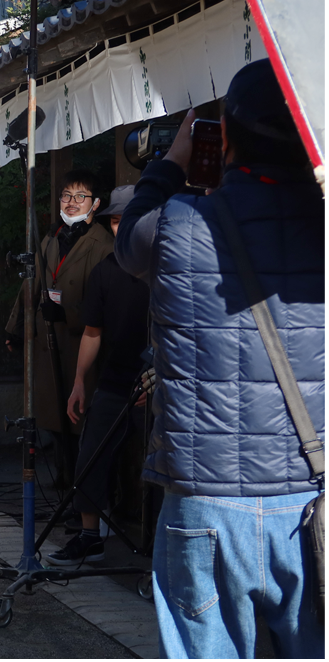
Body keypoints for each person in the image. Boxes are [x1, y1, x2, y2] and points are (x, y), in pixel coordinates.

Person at [116, 60, 324, 658]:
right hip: (311, 499)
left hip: (204, 499)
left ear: (225, 138)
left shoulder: (178, 225)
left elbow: (130, 238)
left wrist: (171, 163)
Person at [45, 186, 149, 566]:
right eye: (117, 220)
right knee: (90, 454)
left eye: (130, 219)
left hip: (163, 380)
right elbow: (93, 331)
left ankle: (162, 540)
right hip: (116, 377)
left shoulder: (168, 265)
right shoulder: (106, 269)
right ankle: (90, 536)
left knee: (166, 460)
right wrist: (78, 382)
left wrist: (157, 373)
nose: (123, 227)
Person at [5, 170, 113, 490]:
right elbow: (31, 285)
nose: (72, 202)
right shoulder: (52, 238)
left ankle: (84, 491)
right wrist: (16, 328)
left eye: (80, 197)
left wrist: (67, 313)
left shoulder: (102, 243)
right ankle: (65, 480)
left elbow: (104, 303)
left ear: (95, 204)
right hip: (48, 341)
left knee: (81, 421)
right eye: (66, 195)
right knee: (52, 417)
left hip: (80, 343)